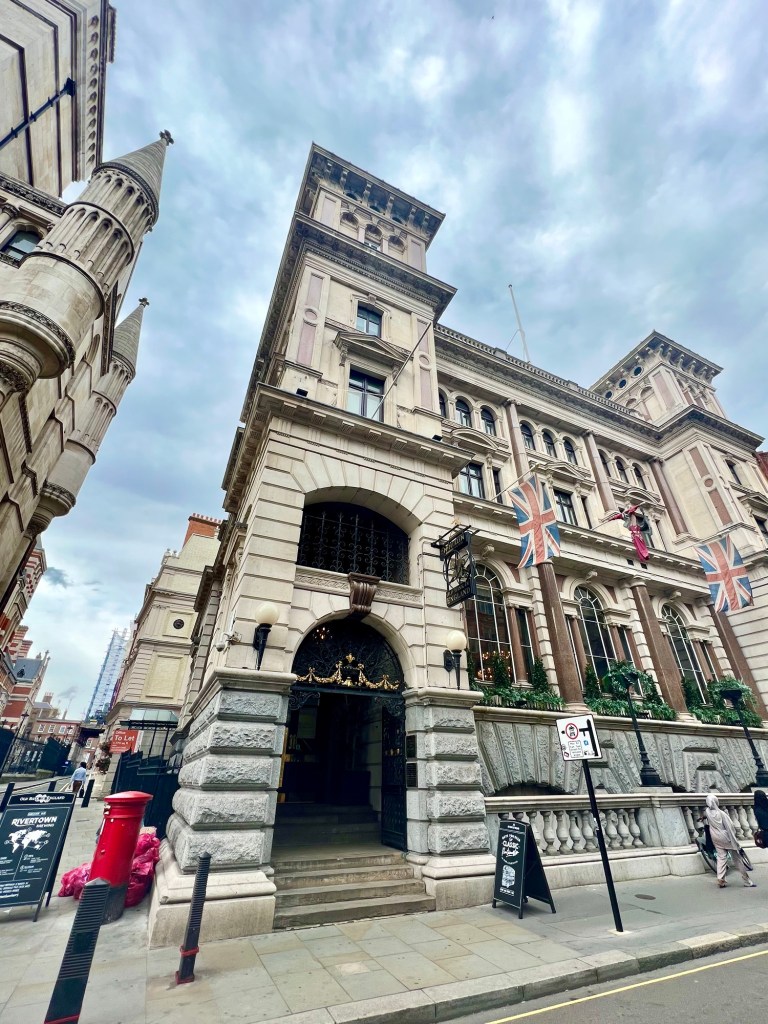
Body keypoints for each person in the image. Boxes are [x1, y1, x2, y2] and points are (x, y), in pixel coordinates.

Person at [705, 792, 756, 888]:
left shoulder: (707, 812)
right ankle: (747, 880)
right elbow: (730, 827)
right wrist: (735, 842)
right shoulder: (721, 814)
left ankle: (721, 879)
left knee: (721, 857)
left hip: (715, 837)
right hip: (725, 837)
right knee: (737, 858)